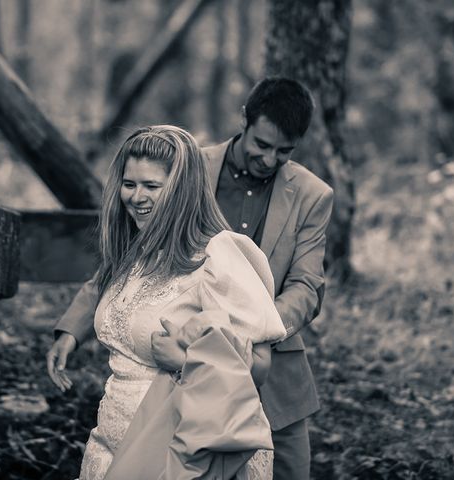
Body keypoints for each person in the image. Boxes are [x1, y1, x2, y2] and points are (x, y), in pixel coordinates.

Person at [48, 77, 334, 480]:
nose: (270, 159)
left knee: (279, 466)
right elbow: (127, 265)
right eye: (262, 145)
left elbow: (307, 284)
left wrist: (250, 327)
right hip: (154, 393)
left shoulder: (312, 194)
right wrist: (73, 328)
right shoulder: (184, 164)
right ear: (244, 122)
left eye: (283, 151)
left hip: (268, 360)